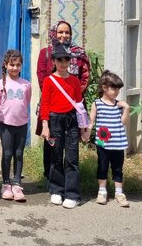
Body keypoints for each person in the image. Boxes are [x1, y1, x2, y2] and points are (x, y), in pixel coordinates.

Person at [36, 20, 90, 181]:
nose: (63, 35)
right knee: (51, 143)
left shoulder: (79, 54)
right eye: (60, 32)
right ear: (54, 33)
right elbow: (41, 76)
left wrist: (71, 95)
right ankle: (50, 177)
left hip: (73, 105)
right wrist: (54, 94)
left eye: (67, 32)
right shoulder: (46, 53)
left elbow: (84, 77)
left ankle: (69, 178)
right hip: (51, 105)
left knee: (71, 144)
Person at [39, 42, 88, 209]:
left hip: (72, 121)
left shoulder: (74, 81)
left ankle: (72, 194)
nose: (63, 63)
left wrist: (84, 127)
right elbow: (45, 104)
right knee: (55, 156)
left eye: (66, 60)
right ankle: (56, 190)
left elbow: (79, 105)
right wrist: (45, 125)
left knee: (72, 157)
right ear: (54, 61)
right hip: (54, 121)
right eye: (59, 60)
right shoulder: (49, 81)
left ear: (70, 62)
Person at [88, 70, 130, 207]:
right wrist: (87, 133)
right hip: (102, 143)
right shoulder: (97, 104)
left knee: (118, 168)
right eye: (114, 88)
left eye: (118, 88)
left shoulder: (119, 105)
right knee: (102, 166)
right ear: (105, 88)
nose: (117, 91)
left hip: (118, 142)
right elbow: (91, 121)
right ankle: (102, 191)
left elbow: (124, 122)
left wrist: (127, 109)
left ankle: (119, 192)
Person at [0, 49, 31, 202]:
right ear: (6, 65)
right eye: (12, 64)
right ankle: (6, 183)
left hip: (21, 124)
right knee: (7, 154)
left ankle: (17, 183)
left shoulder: (26, 85)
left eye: (18, 65)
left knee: (19, 154)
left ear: (21, 66)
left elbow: (26, 102)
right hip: (6, 125)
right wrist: (2, 117)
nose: (15, 68)